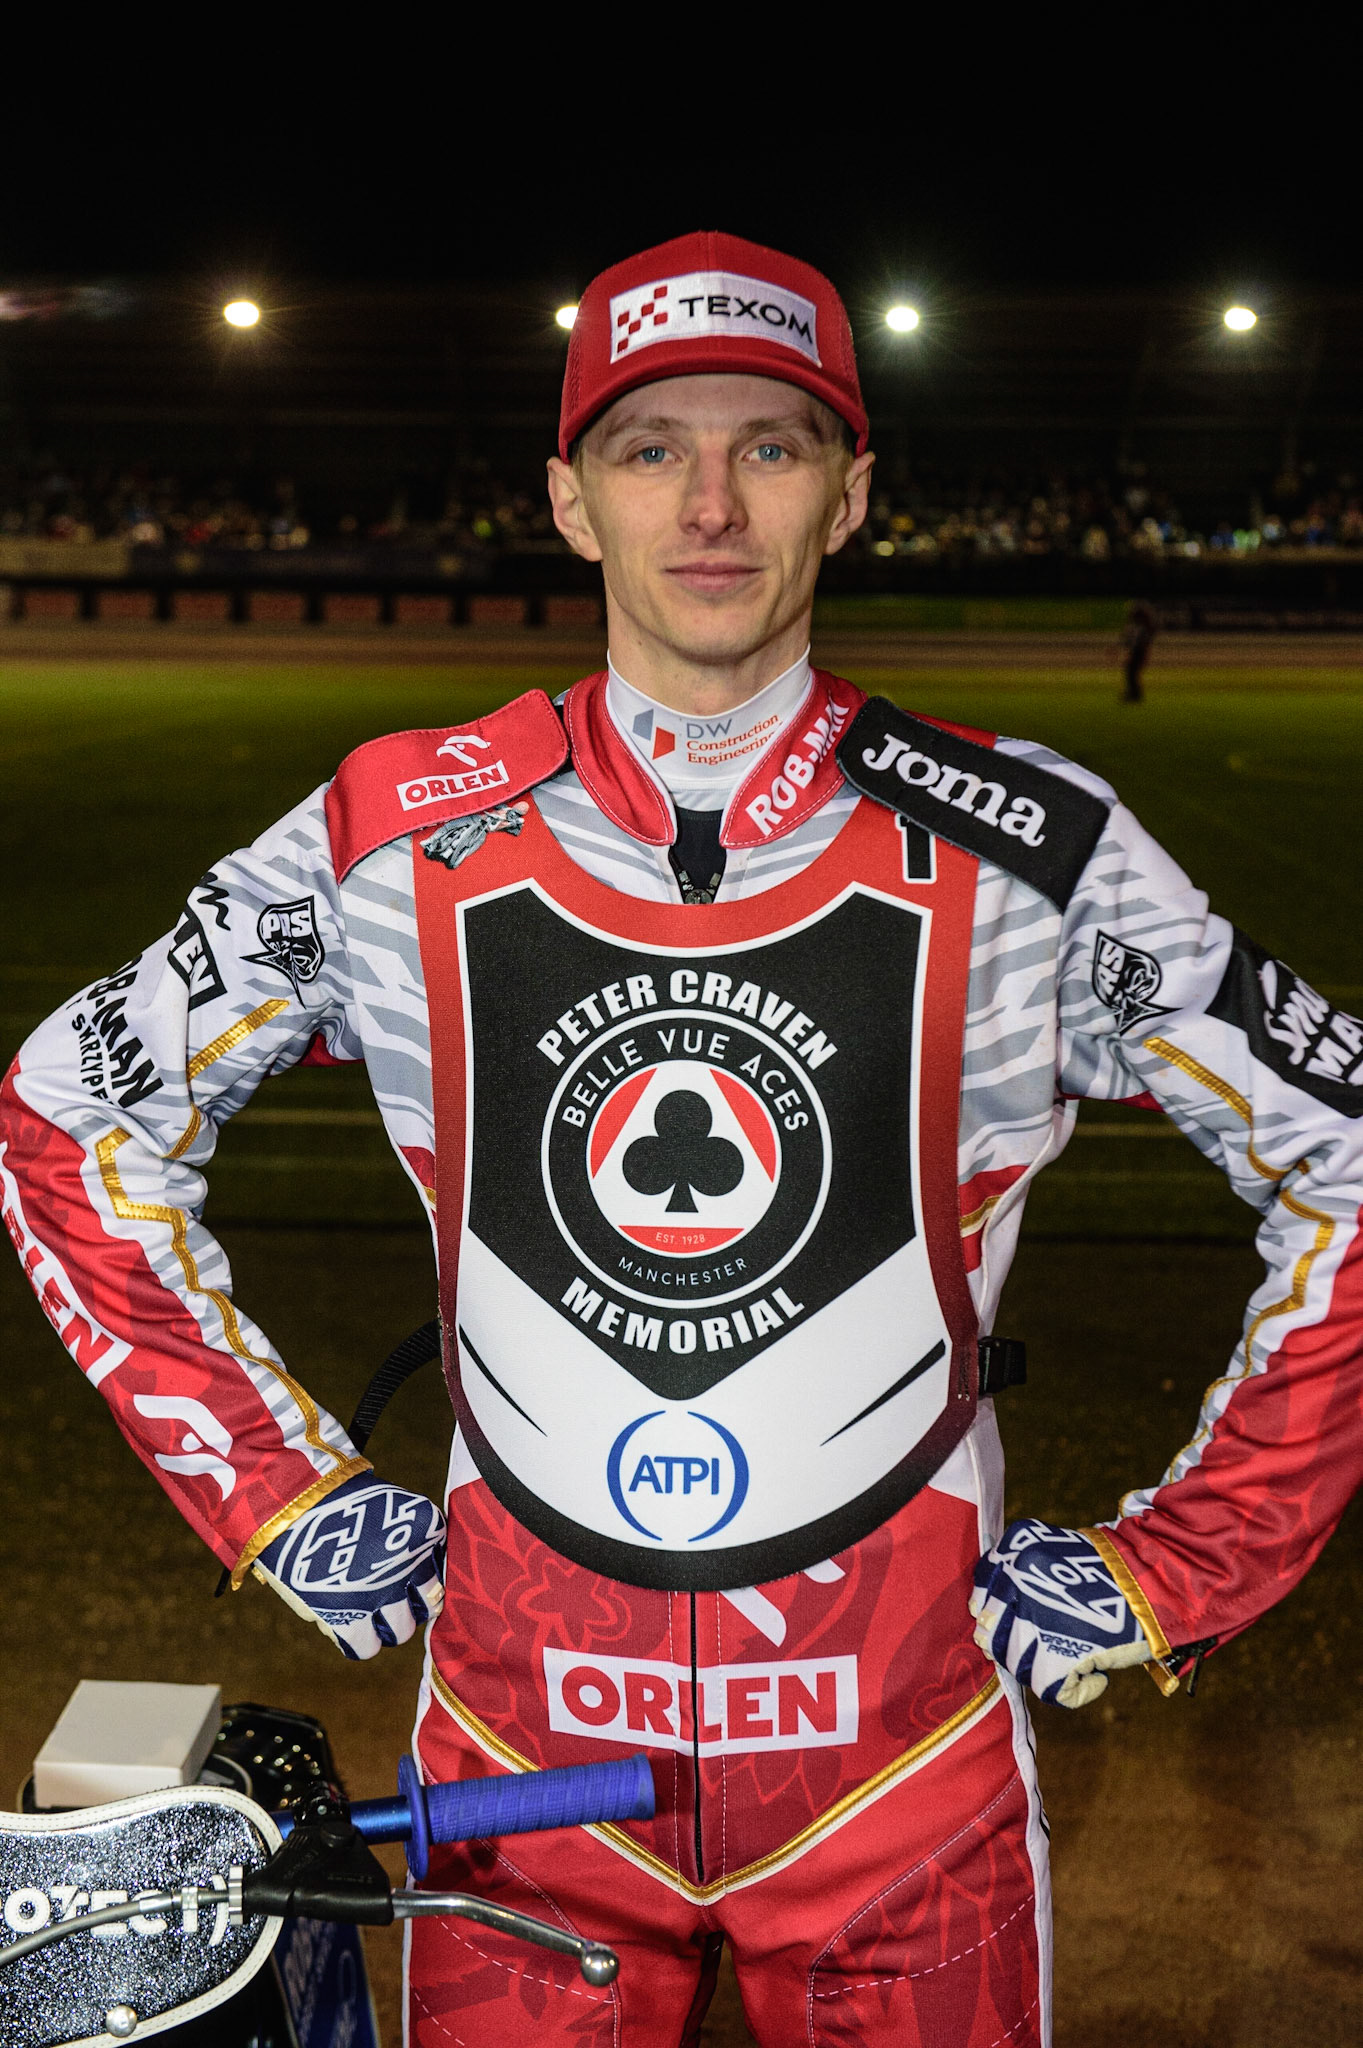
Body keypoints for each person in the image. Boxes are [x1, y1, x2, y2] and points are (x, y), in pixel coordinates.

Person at [3, 229, 1362, 2048]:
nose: (709, 504)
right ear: (569, 499)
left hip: (905, 1784)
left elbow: (1342, 1149)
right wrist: (274, 1493)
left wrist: (1189, 1559)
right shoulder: (391, 834)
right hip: (515, 1771)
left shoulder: (1036, 851)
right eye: (651, 450)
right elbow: (68, 1105)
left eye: (770, 446)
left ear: (851, 492)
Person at [1119, 598, 1156, 701]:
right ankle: (1135, 693)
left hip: (1138, 652)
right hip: (1138, 652)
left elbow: (1137, 642)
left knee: (1131, 672)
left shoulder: (1140, 627)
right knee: (1132, 673)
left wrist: (1132, 651)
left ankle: (1134, 694)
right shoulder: (1140, 627)